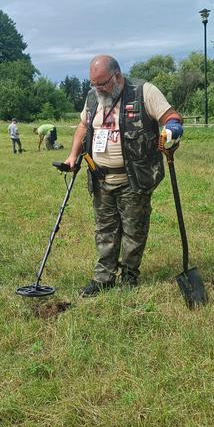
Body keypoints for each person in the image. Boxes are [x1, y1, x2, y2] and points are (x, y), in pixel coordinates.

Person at [63, 55, 184, 297]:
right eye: (93, 84)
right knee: (104, 229)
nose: (97, 89)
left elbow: (172, 117)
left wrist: (172, 130)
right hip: (100, 178)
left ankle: (129, 276)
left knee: (134, 230)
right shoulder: (92, 98)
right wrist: (72, 155)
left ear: (117, 76)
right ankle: (103, 278)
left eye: (102, 84)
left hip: (134, 178)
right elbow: (84, 127)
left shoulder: (143, 92)